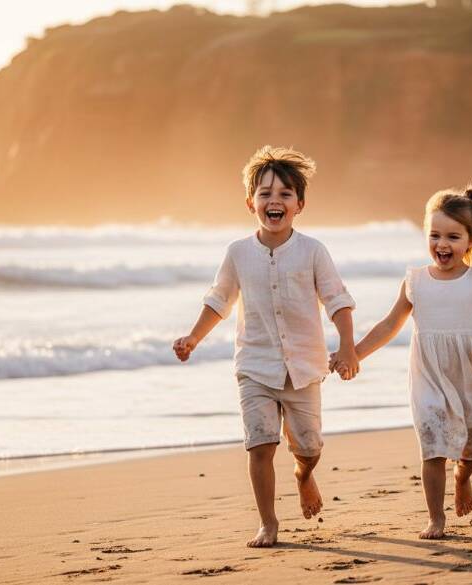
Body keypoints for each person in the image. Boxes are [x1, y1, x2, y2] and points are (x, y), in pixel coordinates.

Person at [173, 145, 359, 547]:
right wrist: (193, 337)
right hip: (254, 365)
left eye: (285, 194)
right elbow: (219, 300)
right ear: (250, 203)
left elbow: (337, 301)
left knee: (309, 446)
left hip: (304, 367)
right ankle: (268, 522)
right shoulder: (238, 253)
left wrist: (347, 347)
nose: (275, 200)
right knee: (260, 444)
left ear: (299, 205)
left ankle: (304, 474)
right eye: (265, 193)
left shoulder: (313, 251)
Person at [333, 184, 472, 539]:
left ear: (471, 240)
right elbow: (389, 325)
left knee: (470, 448)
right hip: (428, 376)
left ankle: (463, 478)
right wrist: (354, 353)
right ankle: (435, 517)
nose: (442, 244)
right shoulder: (415, 281)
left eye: (453, 237)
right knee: (433, 446)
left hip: (471, 374)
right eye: (435, 235)